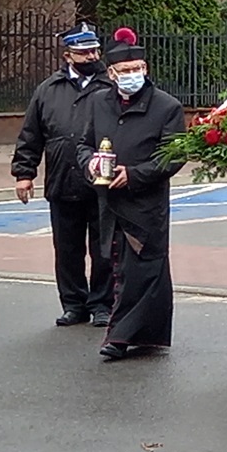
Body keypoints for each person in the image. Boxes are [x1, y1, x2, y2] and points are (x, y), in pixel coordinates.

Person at [77, 28, 185, 360]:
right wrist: (90, 164)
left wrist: (134, 175)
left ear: (145, 68)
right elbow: (83, 145)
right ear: (111, 74)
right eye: (124, 71)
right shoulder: (98, 102)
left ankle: (120, 337)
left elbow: (174, 156)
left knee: (143, 270)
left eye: (136, 69)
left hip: (145, 205)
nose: (131, 75)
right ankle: (144, 334)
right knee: (117, 267)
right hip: (109, 203)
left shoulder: (167, 106)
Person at [11, 24, 114, 327]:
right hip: (62, 180)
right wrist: (24, 173)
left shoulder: (110, 84)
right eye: (84, 52)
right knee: (67, 250)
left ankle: (102, 305)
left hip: (102, 183)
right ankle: (74, 304)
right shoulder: (48, 89)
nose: (91, 57)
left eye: (94, 51)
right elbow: (31, 134)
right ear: (68, 55)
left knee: (104, 249)